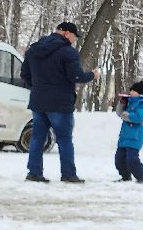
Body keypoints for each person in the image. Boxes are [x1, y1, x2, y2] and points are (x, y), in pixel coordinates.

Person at [20, 20, 96, 183]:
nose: (74, 40)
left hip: (38, 101)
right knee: (64, 139)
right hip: (60, 103)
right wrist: (92, 75)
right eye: (74, 36)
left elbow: (24, 74)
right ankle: (68, 174)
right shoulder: (68, 53)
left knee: (37, 138)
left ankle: (34, 173)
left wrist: (38, 87)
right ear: (67, 33)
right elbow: (76, 76)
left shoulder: (34, 50)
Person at [114, 80, 143, 183]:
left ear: (140, 93)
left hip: (136, 136)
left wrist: (127, 115)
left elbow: (138, 117)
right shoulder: (130, 102)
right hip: (125, 135)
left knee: (132, 159)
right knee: (119, 159)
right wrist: (122, 103)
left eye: (133, 91)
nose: (131, 93)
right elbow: (119, 113)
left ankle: (140, 177)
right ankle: (125, 176)